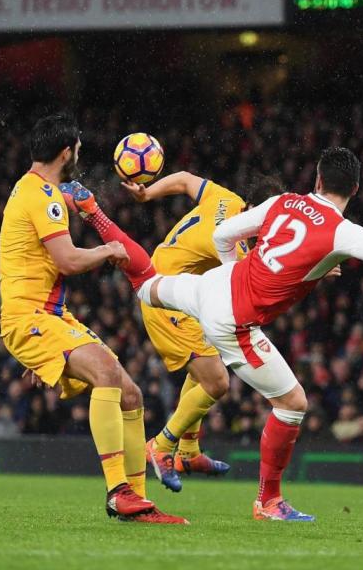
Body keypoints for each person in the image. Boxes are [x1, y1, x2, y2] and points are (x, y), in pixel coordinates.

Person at [67, 146, 363, 521]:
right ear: (354, 190)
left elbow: (224, 233)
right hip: (232, 321)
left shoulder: (284, 202)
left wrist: (235, 268)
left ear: (316, 177)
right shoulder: (340, 230)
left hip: (209, 287)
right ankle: (268, 501)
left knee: (145, 285)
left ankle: (93, 212)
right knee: (292, 404)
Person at [0, 113, 186, 524]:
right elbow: (67, 259)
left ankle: (137, 501)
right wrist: (107, 251)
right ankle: (118, 491)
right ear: (67, 152)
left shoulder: (32, 189)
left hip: (48, 316)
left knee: (130, 393)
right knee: (105, 373)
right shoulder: (42, 196)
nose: (79, 154)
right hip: (31, 317)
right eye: (78, 148)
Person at [62, 169, 284, 493]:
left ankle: (189, 452)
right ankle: (163, 446)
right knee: (218, 381)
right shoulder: (232, 244)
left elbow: (183, 179)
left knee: (204, 369)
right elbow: (252, 289)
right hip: (165, 297)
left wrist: (146, 194)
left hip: (179, 289)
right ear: (251, 209)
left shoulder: (226, 199)